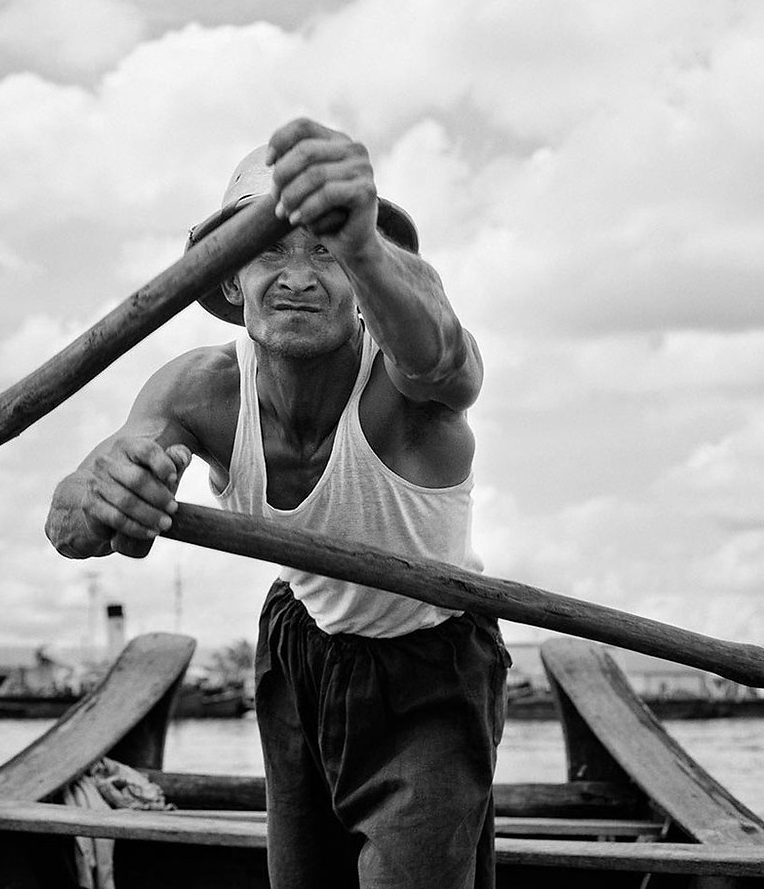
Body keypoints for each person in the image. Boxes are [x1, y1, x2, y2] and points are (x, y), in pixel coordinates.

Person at [45, 117, 511, 889]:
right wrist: (96, 498)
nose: (300, 274)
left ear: (364, 278)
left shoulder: (406, 387)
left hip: (432, 660)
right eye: (270, 250)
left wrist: (364, 243)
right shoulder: (199, 389)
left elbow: (444, 355)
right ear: (232, 281)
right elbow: (71, 522)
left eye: (327, 250)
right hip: (301, 648)